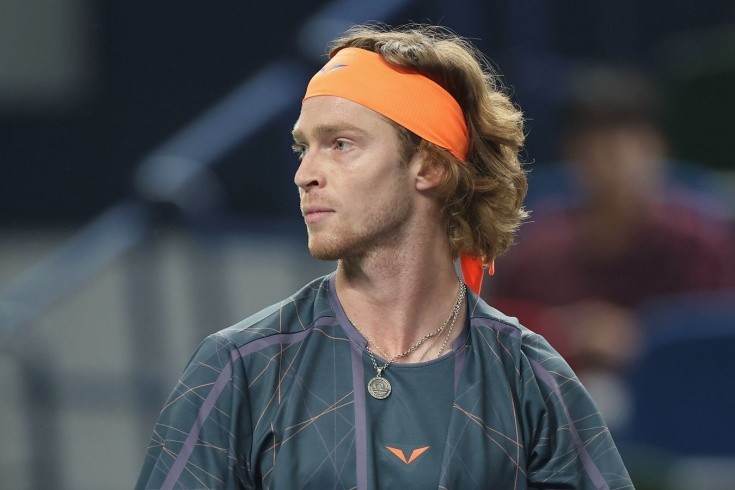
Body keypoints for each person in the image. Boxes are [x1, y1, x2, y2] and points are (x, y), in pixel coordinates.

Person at [136, 24, 632, 489]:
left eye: (340, 144)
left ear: (430, 166)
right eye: (303, 148)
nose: (304, 174)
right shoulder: (239, 367)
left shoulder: (530, 377)